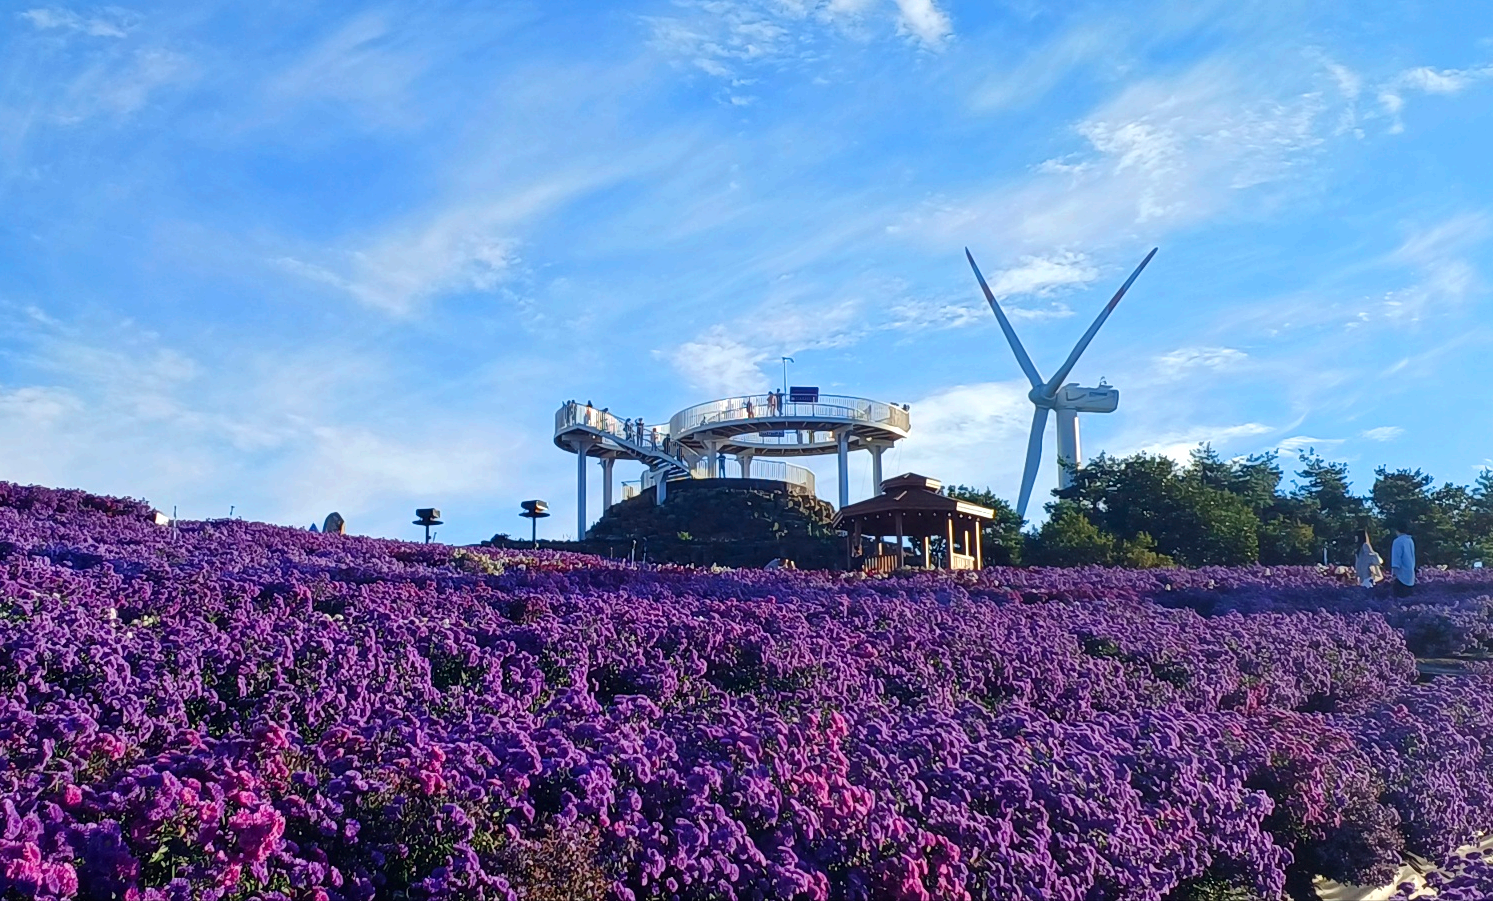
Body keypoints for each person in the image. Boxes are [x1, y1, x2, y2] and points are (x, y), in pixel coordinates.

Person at [1390, 522, 1416, 597]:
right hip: (1410, 574)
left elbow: (1396, 558)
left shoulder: (1397, 541)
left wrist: (1394, 574)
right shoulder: (1410, 540)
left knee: (1399, 598)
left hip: (1400, 575)